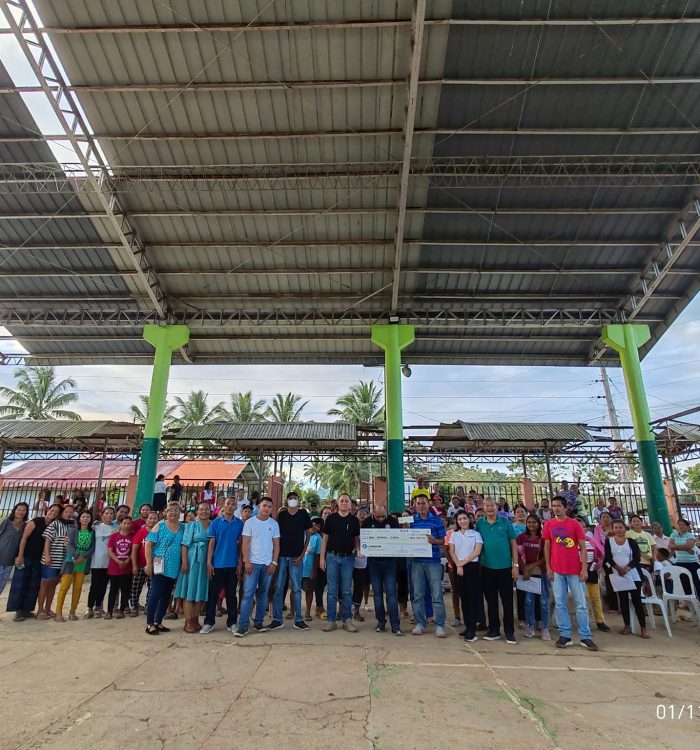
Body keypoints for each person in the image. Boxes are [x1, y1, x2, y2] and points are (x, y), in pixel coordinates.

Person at [543, 497, 598, 651]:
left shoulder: (574, 524)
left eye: (559, 506)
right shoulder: (549, 525)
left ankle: (585, 636)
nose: (556, 508)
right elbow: (547, 547)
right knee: (560, 603)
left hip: (574, 570)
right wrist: (548, 567)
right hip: (556, 570)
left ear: (565, 507)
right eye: (554, 506)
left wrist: (584, 568)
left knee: (580, 604)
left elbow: (582, 547)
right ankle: (565, 635)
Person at [236, 497, 280, 637]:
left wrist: (274, 562)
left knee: (263, 595)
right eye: (264, 505)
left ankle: (259, 622)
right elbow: (245, 543)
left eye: (269, 506)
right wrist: (246, 561)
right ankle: (243, 625)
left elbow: (276, 545)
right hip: (252, 564)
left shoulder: (274, 524)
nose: (266, 508)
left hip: (267, 565)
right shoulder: (250, 522)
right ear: (259, 507)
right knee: (248, 594)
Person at [476, 498, 518, 644]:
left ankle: (509, 632)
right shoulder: (480, 523)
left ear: (496, 507)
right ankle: (494, 630)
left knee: (507, 601)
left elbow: (513, 544)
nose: (489, 508)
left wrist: (515, 565)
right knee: (491, 600)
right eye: (486, 506)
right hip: (487, 568)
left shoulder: (505, 522)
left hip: (505, 568)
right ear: (483, 508)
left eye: (491, 506)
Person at [8, 504, 60, 621]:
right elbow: (24, 538)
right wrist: (20, 555)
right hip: (26, 557)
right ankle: (18, 611)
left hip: (39, 559)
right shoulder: (36, 521)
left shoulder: (53, 525)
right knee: (20, 583)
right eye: (52, 510)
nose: (53, 513)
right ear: (48, 510)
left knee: (34, 585)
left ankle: (27, 609)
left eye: (56, 512)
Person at [269, 491, 312, 631]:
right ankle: (277, 619)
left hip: (296, 557)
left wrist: (302, 555)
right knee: (278, 588)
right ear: (287, 501)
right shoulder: (282, 515)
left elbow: (308, 535)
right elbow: (276, 536)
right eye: (290, 498)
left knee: (297, 588)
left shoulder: (303, 514)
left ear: (298, 500)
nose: (293, 500)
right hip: (281, 557)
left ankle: (298, 619)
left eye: (295, 498)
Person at [201, 496, 244, 635]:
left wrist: (240, 562)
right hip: (217, 565)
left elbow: (241, 545)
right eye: (228, 504)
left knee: (231, 595)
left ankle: (232, 623)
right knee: (212, 595)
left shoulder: (239, 524)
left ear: (236, 507)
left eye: (233, 504)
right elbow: (211, 544)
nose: (230, 506)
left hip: (232, 565)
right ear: (223, 506)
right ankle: (209, 622)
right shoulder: (215, 523)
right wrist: (209, 562)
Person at [320, 493, 361, 633]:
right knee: (332, 591)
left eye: (346, 501)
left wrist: (358, 550)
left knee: (346, 590)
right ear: (338, 503)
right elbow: (325, 539)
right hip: (332, 558)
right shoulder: (331, 519)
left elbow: (356, 539)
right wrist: (322, 558)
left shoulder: (354, 520)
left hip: (348, 559)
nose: (344, 503)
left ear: (350, 504)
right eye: (342, 501)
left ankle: (347, 620)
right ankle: (331, 621)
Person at [144, 502, 184, 635]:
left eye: (176, 510)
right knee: (155, 593)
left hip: (174, 567)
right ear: (166, 512)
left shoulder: (183, 527)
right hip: (159, 565)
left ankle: (158, 621)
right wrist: (148, 564)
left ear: (180, 512)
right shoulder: (160, 526)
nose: (173, 512)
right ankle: (150, 623)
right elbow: (148, 545)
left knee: (166, 596)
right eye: (170, 510)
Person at [409, 495, 447, 637]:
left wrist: (435, 541)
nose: (421, 506)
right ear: (415, 505)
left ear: (428, 504)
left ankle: (440, 625)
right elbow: (404, 536)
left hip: (433, 562)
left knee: (437, 594)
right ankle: (420, 623)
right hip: (417, 562)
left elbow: (443, 540)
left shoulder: (436, 520)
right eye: (418, 503)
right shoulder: (411, 521)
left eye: (423, 503)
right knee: (418, 594)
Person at [604, 520, 649, 638]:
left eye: (621, 527)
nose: (618, 529)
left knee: (636, 601)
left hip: (633, 574)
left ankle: (643, 628)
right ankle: (627, 625)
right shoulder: (609, 542)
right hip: (618, 574)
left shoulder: (631, 542)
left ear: (625, 529)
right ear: (613, 529)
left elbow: (636, 558)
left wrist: (627, 568)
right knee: (623, 601)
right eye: (616, 527)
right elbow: (608, 557)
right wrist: (618, 569)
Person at [175, 501, 211, 633]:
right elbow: (184, 544)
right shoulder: (191, 525)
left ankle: (195, 619)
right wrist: (184, 562)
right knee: (189, 590)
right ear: (197, 511)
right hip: (192, 560)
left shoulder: (212, 524)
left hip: (205, 561)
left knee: (200, 590)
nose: (204, 511)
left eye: (206, 509)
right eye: (201, 509)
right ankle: (188, 621)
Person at [54, 510, 95, 622]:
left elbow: (92, 547)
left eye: (87, 517)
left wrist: (83, 556)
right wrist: (76, 556)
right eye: (83, 516)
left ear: (90, 519)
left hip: (83, 563)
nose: (85, 519)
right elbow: (69, 545)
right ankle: (58, 612)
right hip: (70, 562)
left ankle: (72, 611)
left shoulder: (92, 532)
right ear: (79, 518)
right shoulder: (73, 530)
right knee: (64, 587)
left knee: (77, 588)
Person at [449, 509, 483, 642]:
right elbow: (452, 551)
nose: (462, 521)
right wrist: (458, 564)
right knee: (463, 598)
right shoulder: (454, 535)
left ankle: (472, 631)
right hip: (459, 569)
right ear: (457, 522)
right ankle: (468, 627)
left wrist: (463, 562)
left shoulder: (476, 534)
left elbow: (477, 551)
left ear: (469, 520)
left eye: (465, 518)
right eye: (460, 519)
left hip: (472, 567)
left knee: (472, 599)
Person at [38, 504, 75, 620]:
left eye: (71, 512)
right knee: (45, 584)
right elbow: (47, 541)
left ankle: (48, 609)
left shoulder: (73, 525)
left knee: (53, 585)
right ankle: (40, 610)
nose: (68, 514)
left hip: (63, 560)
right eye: (66, 511)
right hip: (51, 559)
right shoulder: (55, 524)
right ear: (62, 513)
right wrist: (47, 556)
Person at [517, 513, 550, 640]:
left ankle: (545, 628)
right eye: (529, 522)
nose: (531, 524)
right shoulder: (521, 537)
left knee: (544, 602)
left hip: (540, 573)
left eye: (534, 522)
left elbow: (545, 556)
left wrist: (530, 567)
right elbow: (517, 554)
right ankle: (530, 626)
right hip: (526, 574)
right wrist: (524, 568)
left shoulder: (543, 538)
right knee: (528, 601)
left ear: (539, 524)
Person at [85, 506, 117, 618]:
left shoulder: (116, 528)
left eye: (111, 513)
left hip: (110, 561)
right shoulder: (95, 527)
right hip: (97, 561)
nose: (109, 515)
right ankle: (89, 608)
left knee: (104, 586)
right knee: (94, 585)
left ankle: (98, 606)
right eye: (106, 513)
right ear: (102, 514)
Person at [130, 510, 158, 615]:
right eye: (150, 518)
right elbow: (134, 549)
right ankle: (134, 606)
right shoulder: (141, 532)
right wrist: (134, 565)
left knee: (152, 587)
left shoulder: (159, 532)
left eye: (155, 518)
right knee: (136, 587)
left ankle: (148, 606)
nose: (152, 520)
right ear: (146, 520)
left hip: (155, 565)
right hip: (141, 564)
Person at [106, 516, 134, 619]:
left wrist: (127, 560)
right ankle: (109, 611)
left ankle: (122, 610)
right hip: (115, 567)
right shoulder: (114, 536)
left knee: (125, 590)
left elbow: (133, 551)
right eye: (124, 523)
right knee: (113, 590)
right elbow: (110, 550)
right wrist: (117, 560)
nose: (126, 525)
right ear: (120, 524)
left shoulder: (132, 536)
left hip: (127, 567)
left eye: (128, 523)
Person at [0, 502, 28, 598]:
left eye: (24, 510)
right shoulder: (6, 522)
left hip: (10, 561)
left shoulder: (25, 526)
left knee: (1, 587)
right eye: (19, 509)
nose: (21, 512)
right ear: (14, 510)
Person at [668, 518, 700, 599]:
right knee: (684, 583)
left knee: (697, 582)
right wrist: (685, 548)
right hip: (680, 562)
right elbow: (670, 545)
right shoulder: (673, 534)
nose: (681, 526)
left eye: (683, 525)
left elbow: (689, 546)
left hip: (692, 562)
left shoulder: (690, 535)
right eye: (679, 524)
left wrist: (677, 547)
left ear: (687, 527)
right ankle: (690, 601)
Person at [302, 517, 323, 622]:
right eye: (312, 524)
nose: (313, 526)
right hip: (298, 567)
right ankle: (292, 611)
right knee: (294, 590)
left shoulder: (318, 538)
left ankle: (307, 612)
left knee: (309, 590)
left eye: (316, 524)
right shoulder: (302, 534)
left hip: (309, 568)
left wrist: (314, 570)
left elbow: (317, 555)